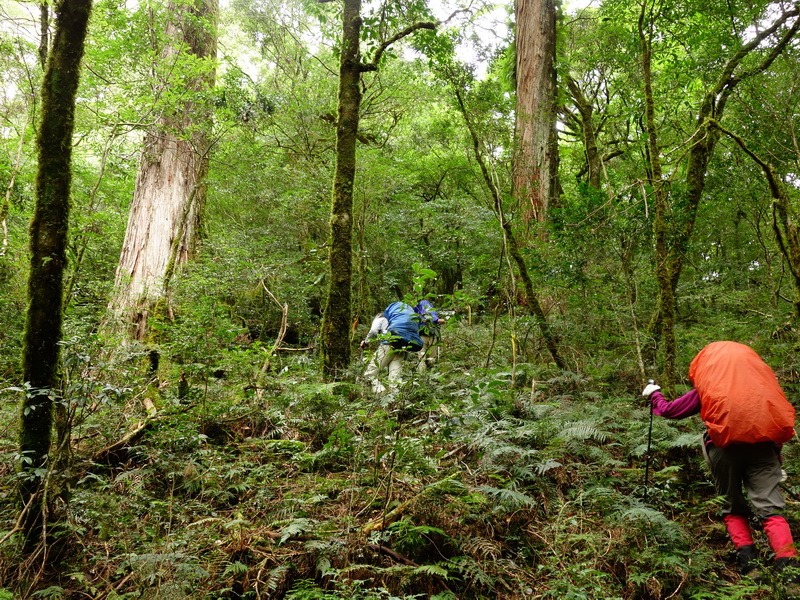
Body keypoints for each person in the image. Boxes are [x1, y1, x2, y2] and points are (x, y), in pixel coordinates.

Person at [642, 341, 798, 580]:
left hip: (723, 450)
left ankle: (749, 564)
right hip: (764, 451)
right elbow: (775, 419)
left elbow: (671, 411)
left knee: (732, 505)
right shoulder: (765, 386)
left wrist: (655, 395)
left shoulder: (711, 386)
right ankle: (788, 569)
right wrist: (777, 460)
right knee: (771, 508)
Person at [360, 301, 424, 394]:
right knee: (395, 379)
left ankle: (381, 395)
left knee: (370, 374)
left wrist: (365, 342)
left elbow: (373, 331)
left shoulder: (381, 318)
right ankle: (394, 402)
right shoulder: (397, 320)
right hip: (402, 347)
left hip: (388, 345)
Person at [414, 299, 445, 371]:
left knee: (421, 356)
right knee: (431, 357)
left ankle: (422, 375)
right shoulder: (424, 303)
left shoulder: (415, 309)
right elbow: (430, 315)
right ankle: (431, 374)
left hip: (421, 334)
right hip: (430, 334)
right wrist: (436, 320)